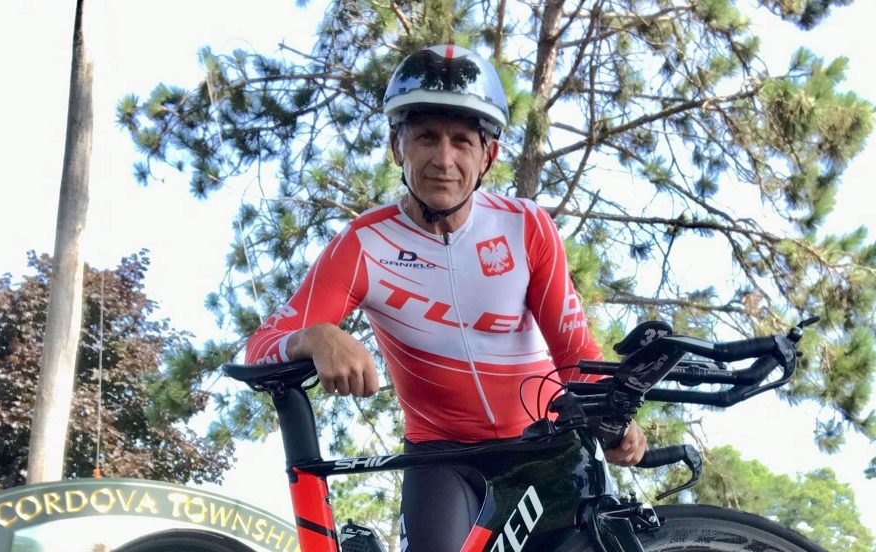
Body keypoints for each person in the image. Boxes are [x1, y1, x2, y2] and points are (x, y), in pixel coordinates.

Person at [245, 44, 647, 551]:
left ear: (489, 155)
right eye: (427, 138)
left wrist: (614, 420)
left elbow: (574, 354)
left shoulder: (526, 229)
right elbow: (261, 345)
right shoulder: (363, 245)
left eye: (462, 140)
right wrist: (315, 336)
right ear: (398, 147)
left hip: (545, 446)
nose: (444, 159)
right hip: (440, 461)